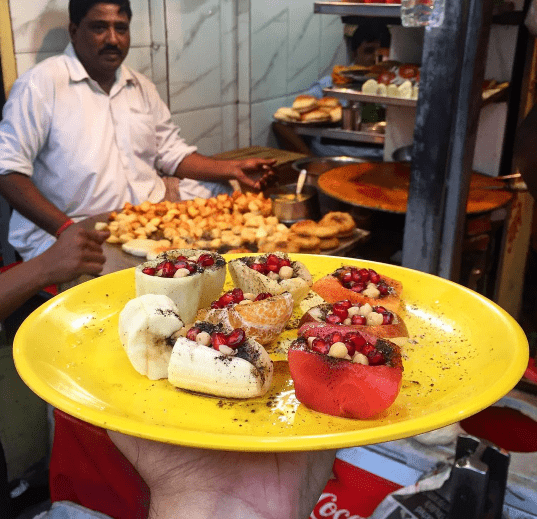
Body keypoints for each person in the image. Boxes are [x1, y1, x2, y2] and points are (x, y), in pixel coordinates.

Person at [0, 0, 276, 262]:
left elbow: (172, 153)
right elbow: (7, 170)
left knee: (226, 191)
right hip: (75, 224)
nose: (113, 39)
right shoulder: (40, 85)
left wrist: (234, 168)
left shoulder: (140, 85)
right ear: (74, 31)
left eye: (121, 28)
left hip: (147, 214)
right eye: (99, 27)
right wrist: (66, 229)